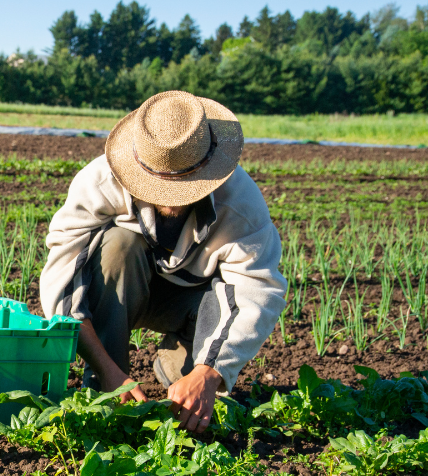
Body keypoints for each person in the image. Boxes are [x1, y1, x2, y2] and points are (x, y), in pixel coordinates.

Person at [39, 90, 287, 434]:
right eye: (160, 184)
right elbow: (62, 285)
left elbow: (257, 291)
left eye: (184, 184)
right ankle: (105, 388)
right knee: (117, 245)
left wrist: (209, 374)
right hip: (123, 290)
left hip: (191, 305)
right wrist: (111, 373)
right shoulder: (99, 182)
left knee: (193, 398)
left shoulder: (240, 204)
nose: (171, 197)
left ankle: (178, 364)